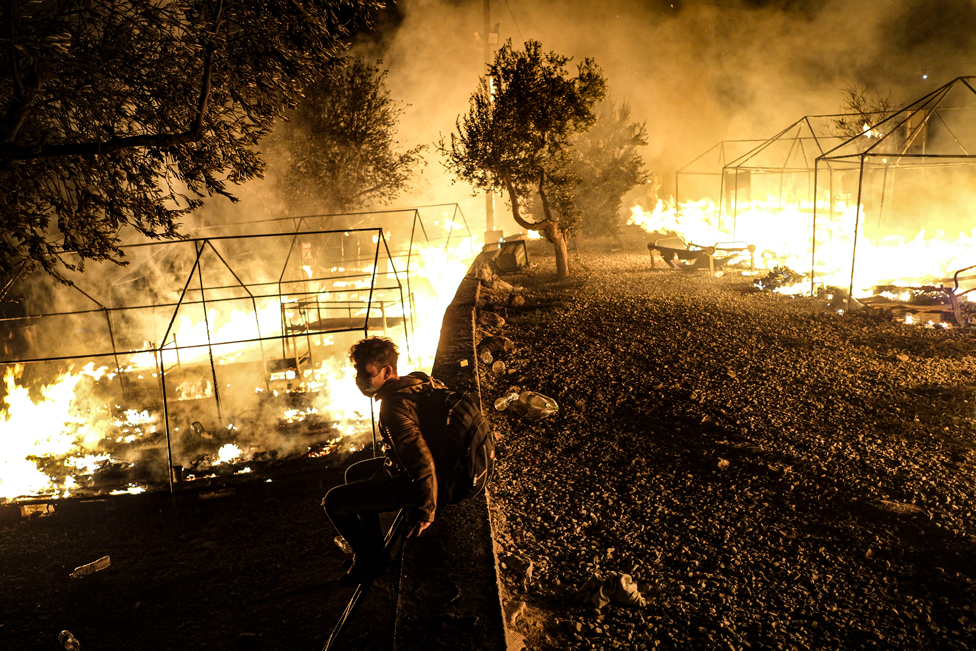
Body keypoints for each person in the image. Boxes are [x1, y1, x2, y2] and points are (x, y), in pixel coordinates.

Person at [322, 336, 444, 586]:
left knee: (334, 502)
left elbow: (422, 461)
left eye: (366, 371)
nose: (359, 378)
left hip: (417, 482)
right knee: (356, 473)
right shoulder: (418, 381)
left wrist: (425, 511)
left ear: (387, 371)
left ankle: (368, 560)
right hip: (415, 468)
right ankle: (376, 552)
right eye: (357, 370)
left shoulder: (393, 407)